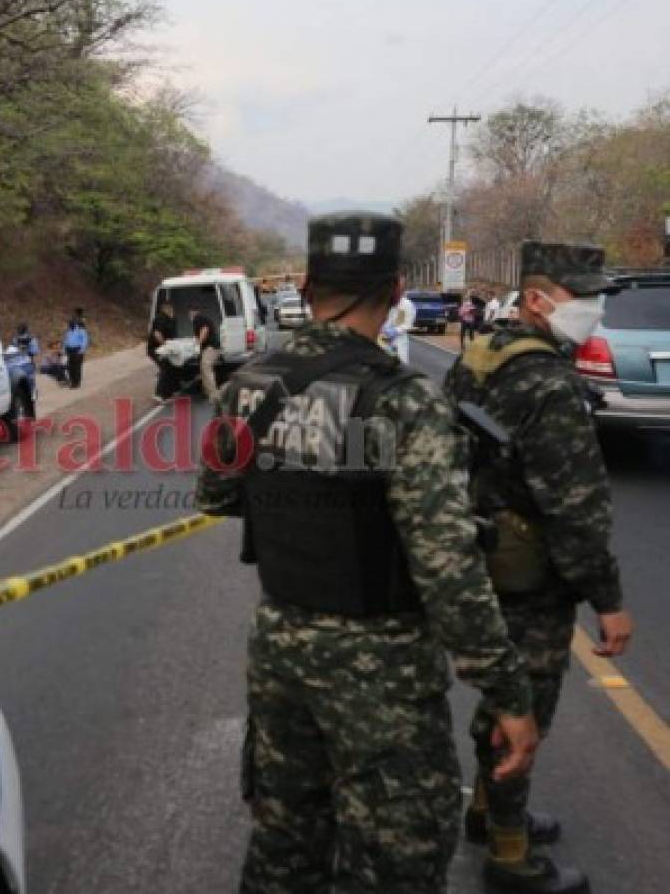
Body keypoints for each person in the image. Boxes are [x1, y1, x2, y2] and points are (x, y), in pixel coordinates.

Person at [197, 212, 538, 894]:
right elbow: (447, 569)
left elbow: (218, 496)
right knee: (395, 860)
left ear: (304, 283)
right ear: (392, 291)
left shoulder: (248, 386)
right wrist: (506, 692)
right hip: (380, 666)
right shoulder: (404, 400)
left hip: (281, 653)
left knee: (283, 845)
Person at [445, 241, 634, 894]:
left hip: (484, 552)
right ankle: (507, 852)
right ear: (535, 298)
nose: (589, 310)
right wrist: (606, 598)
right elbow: (575, 508)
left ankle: (484, 811)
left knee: (503, 695)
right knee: (524, 708)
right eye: (579, 297)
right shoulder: (549, 382)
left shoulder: (481, 354)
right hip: (531, 572)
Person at [148, 300, 179, 402]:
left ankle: (168, 393)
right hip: (156, 349)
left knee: (171, 367)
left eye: (172, 308)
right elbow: (157, 333)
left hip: (165, 349)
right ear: (164, 308)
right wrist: (165, 345)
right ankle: (158, 394)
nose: (171, 310)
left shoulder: (171, 319)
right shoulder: (160, 318)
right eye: (169, 308)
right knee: (165, 368)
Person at [190, 306, 221, 405]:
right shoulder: (202, 319)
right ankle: (207, 392)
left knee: (206, 367)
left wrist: (199, 343)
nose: (190, 315)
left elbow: (204, 330)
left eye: (190, 313)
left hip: (211, 347)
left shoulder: (198, 318)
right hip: (211, 347)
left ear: (193, 312)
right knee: (203, 368)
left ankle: (215, 395)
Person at [62, 318, 89, 388]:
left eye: (72, 324)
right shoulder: (68, 332)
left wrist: (81, 350)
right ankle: (72, 381)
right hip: (69, 350)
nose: (70, 325)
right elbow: (65, 341)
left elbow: (85, 341)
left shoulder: (81, 331)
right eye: (69, 324)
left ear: (75, 324)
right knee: (70, 367)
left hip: (77, 350)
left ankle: (76, 383)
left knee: (76, 367)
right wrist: (64, 349)